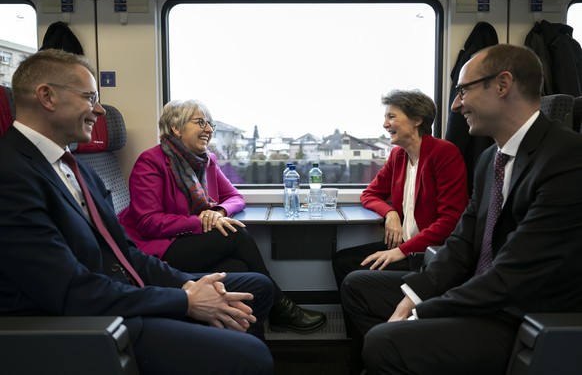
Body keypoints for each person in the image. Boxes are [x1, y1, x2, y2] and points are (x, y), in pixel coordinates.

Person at [0, 48, 276, 375]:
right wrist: (185, 300)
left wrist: (186, 285)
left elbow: (124, 252)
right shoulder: (11, 175)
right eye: (90, 97)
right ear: (47, 96)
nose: (100, 110)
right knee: (253, 356)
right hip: (86, 320)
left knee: (256, 287)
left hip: (121, 289)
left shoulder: (76, 168)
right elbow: (72, 291)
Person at [341, 43, 582, 375]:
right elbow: (462, 243)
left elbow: (512, 274)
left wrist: (421, 314)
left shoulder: (566, 158)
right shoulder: (489, 160)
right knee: (359, 287)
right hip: (478, 288)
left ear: (502, 85)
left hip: (514, 312)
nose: (455, 105)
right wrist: (416, 293)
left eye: (463, 91)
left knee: (386, 341)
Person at [117, 99, 327, 334]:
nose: (208, 130)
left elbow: (235, 197)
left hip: (188, 243)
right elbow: (149, 222)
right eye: (200, 122)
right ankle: (280, 306)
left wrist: (219, 212)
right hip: (156, 248)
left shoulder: (207, 160)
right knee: (234, 234)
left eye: (210, 124)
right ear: (176, 127)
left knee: (236, 266)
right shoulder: (151, 162)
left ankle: (246, 345)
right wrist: (200, 221)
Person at [332, 89, 468, 373]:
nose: (385, 124)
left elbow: (451, 221)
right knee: (343, 261)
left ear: (417, 120)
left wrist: (400, 250)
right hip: (407, 246)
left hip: (428, 255)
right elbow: (370, 194)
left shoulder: (444, 153)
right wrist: (391, 212)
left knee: (355, 279)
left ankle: (381, 348)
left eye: (392, 116)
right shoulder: (398, 156)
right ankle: (368, 343)